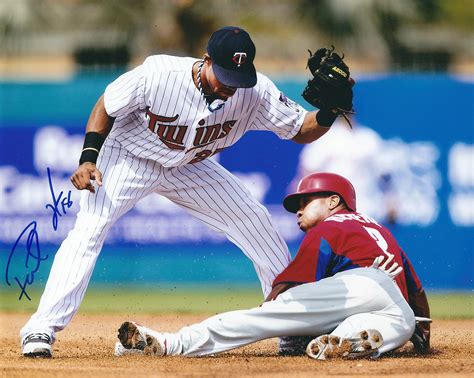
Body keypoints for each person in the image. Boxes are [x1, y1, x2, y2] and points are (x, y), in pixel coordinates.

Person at [20, 26, 353, 358]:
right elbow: (106, 106)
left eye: (238, 77)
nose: (230, 87)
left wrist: (327, 113)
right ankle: (41, 328)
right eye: (224, 76)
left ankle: (291, 326)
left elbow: (299, 129)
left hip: (189, 165)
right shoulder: (160, 74)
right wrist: (89, 158)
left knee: (255, 219)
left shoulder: (254, 92)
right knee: (89, 229)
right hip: (129, 156)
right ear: (206, 61)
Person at [114, 172, 431, 359]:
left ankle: (171, 343)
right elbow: (415, 290)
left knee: (261, 319)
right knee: (390, 328)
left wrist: (274, 304)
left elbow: (301, 271)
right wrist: (420, 332)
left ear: (334, 201)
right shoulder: (377, 228)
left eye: (306, 201)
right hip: (395, 306)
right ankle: (349, 341)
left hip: (359, 286)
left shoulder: (330, 227)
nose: (299, 210)